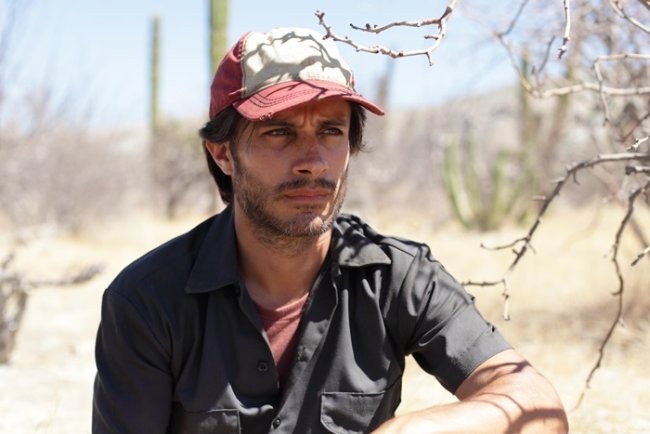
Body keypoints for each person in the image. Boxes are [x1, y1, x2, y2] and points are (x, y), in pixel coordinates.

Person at [92, 27, 568, 434]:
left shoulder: (396, 278)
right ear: (222, 153)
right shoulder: (148, 301)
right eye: (278, 132)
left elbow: (537, 407)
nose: (312, 161)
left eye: (331, 131)